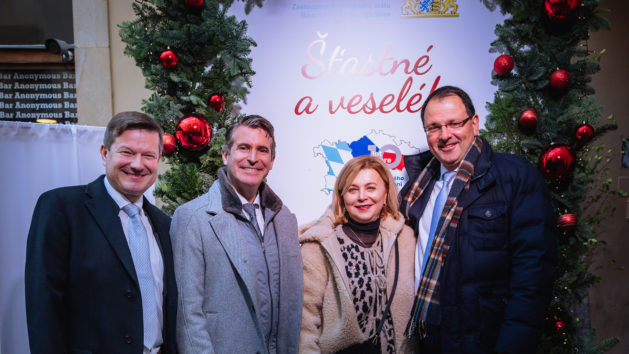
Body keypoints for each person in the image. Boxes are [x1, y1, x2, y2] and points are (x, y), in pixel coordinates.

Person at [399, 86, 557, 353]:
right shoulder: (418, 185)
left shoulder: (515, 176)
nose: (445, 135)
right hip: (427, 335)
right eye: (434, 127)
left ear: (474, 123)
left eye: (454, 123)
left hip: (484, 340)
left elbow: (533, 276)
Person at [25, 111, 177, 354]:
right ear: (105, 154)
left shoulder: (165, 225)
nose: (138, 164)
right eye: (127, 152)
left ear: (158, 159)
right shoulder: (62, 208)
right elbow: (44, 304)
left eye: (148, 155)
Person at [171, 114, 302, 354]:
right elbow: (189, 314)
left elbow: (293, 307)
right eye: (244, 148)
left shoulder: (285, 220)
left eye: (262, 150)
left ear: (272, 160)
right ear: (225, 154)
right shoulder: (192, 218)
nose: (253, 158)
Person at [299, 155, 418, 353]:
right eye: (352, 190)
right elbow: (305, 325)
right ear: (342, 196)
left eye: (371, 188)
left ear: (386, 191)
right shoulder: (318, 247)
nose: (362, 196)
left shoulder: (407, 239)